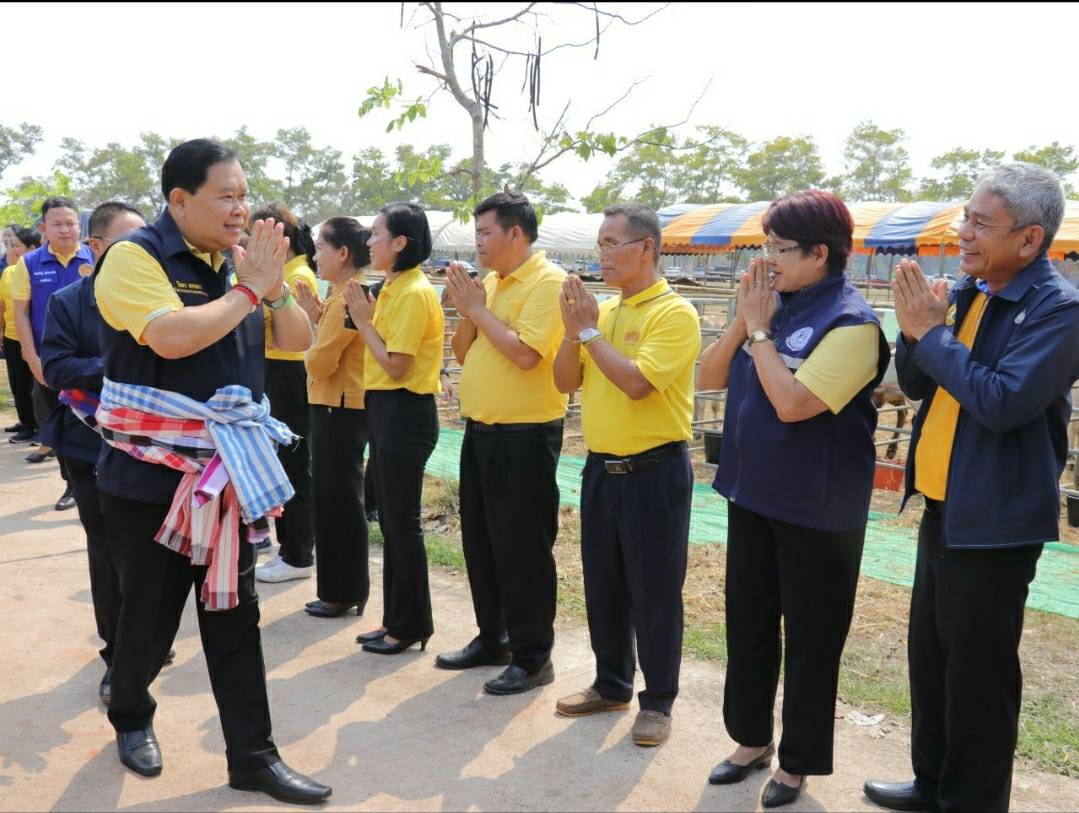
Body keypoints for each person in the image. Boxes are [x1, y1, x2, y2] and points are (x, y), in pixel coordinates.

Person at [93, 138, 330, 804]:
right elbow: (170, 336)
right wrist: (250, 289)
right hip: (151, 480)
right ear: (179, 199)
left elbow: (295, 342)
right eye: (225, 195)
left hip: (227, 480)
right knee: (148, 618)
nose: (240, 209)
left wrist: (272, 289)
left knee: (234, 613)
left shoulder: (236, 265)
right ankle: (132, 713)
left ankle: (253, 755)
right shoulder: (133, 259)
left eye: (244, 195)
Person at [864, 164, 1079, 813]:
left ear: (1028, 239)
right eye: (965, 216)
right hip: (942, 510)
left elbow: (1003, 400)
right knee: (931, 665)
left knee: (978, 680)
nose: (962, 232)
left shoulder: (1058, 310)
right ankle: (932, 784)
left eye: (980, 223)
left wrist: (930, 334)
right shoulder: (970, 288)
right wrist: (913, 331)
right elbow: (923, 382)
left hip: (996, 522)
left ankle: (970, 802)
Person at [698, 191, 888, 808]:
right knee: (748, 624)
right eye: (765, 245)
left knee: (811, 638)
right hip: (753, 494)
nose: (768, 257)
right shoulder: (769, 305)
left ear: (820, 253)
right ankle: (750, 739)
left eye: (780, 248)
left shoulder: (853, 324)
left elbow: (793, 404)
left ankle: (798, 761)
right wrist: (746, 319)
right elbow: (708, 377)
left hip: (817, 510)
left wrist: (759, 329)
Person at [552, 203, 699, 748]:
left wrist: (588, 331)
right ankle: (611, 682)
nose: (603, 254)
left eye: (614, 243)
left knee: (656, 590)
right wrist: (574, 334)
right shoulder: (604, 313)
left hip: (653, 471)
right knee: (605, 584)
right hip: (601, 469)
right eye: (600, 244)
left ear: (647, 249)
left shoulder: (673, 313)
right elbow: (566, 382)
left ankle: (658, 701)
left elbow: (638, 384)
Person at [436, 191, 567, 695]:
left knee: (524, 550)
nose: (480, 243)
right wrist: (473, 309)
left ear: (517, 233)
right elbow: (464, 350)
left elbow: (526, 355)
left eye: (487, 233)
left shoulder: (547, 282)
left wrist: (477, 308)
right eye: (477, 235)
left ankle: (534, 656)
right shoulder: (491, 282)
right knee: (483, 543)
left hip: (525, 436)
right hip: (481, 432)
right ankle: (494, 637)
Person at [39, 201, 150, 706]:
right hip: (89, 441)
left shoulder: (160, 299)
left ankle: (143, 639)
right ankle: (118, 655)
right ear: (97, 246)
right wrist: (119, 371)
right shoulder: (68, 301)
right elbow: (57, 367)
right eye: (131, 243)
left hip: (151, 444)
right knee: (107, 550)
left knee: (149, 553)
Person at [343, 202, 444, 655]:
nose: (369, 242)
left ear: (400, 242)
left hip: (405, 410)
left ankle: (411, 624)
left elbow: (397, 365)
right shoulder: (393, 286)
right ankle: (394, 621)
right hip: (386, 409)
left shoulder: (412, 292)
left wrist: (363, 323)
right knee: (391, 522)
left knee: (402, 523)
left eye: (376, 234)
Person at [292, 217, 373, 618]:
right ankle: (343, 588)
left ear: (343, 253)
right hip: (336, 404)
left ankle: (343, 590)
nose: (315, 255)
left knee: (338, 500)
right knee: (336, 497)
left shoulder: (346, 297)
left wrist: (309, 334)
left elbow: (321, 363)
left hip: (337, 406)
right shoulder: (340, 295)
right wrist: (316, 315)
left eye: (322, 247)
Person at [251, 203, 319, 585]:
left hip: (289, 371)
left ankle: (298, 554)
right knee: (282, 461)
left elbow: (282, 331)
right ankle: (287, 547)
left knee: (294, 463)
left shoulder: (297, 276)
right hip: (275, 371)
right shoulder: (283, 273)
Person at [10, 197, 93, 507]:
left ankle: (98, 477)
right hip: (50, 361)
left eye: (70, 223)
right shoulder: (29, 265)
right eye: (56, 224)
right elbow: (21, 314)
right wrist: (31, 358)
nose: (65, 230)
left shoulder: (94, 257)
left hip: (90, 360)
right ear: (43, 228)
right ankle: (71, 484)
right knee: (59, 425)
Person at [2, 227, 42, 443]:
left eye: (17, 245)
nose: (13, 249)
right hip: (11, 336)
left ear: (31, 248)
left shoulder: (39, 271)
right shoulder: (9, 271)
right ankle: (26, 423)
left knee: (38, 387)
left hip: (35, 338)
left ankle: (40, 428)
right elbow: (2, 305)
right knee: (18, 384)